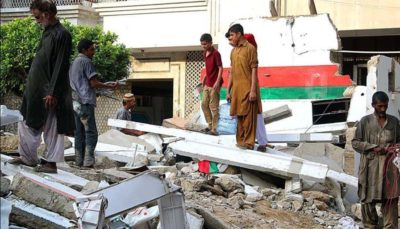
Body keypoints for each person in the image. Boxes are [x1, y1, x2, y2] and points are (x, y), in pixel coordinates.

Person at [7, 0, 74, 173]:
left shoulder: (62, 34)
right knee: (26, 121)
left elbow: (60, 65)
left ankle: (51, 163)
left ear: (47, 13)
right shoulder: (47, 32)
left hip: (50, 92)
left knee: (52, 125)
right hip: (36, 90)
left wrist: (53, 91)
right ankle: (28, 157)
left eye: (37, 16)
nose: (36, 20)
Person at [352, 91, 400, 229]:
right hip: (370, 169)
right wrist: (373, 147)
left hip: (390, 169)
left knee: (390, 200)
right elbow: (355, 142)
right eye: (380, 106)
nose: (383, 109)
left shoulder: (394, 122)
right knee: (367, 199)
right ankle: (369, 226)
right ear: (373, 105)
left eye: (385, 106)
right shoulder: (365, 122)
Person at [69, 38, 118, 168]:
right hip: (85, 102)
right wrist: (108, 86)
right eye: (92, 49)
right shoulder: (86, 62)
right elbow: (93, 83)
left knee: (79, 133)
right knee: (91, 133)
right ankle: (88, 161)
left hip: (74, 102)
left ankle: (79, 161)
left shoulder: (74, 63)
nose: (93, 52)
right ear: (85, 50)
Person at [226, 24, 259, 150]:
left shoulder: (250, 48)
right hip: (236, 90)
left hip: (248, 88)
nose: (231, 38)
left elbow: (254, 69)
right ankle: (240, 142)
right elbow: (232, 72)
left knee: (249, 118)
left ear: (239, 34)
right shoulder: (233, 51)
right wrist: (228, 91)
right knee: (239, 117)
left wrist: (253, 90)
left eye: (232, 35)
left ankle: (249, 143)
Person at [200, 33, 223, 136]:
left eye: (205, 44)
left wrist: (218, 82)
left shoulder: (216, 54)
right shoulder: (205, 53)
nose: (203, 46)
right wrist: (204, 77)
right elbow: (208, 67)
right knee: (204, 104)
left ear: (210, 43)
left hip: (215, 84)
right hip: (207, 83)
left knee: (213, 107)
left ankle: (214, 129)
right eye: (202, 44)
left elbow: (220, 68)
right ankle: (209, 125)